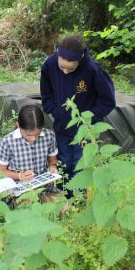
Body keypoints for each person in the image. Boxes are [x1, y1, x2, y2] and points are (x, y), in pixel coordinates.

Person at [40, 35, 116, 198]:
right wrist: (55, 111)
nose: (65, 72)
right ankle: (61, 199)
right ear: (58, 54)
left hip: (86, 130)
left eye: (71, 69)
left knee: (80, 166)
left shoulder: (93, 70)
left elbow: (108, 100)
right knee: (64, 163)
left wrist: (89, 117)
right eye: (62, 68)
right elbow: (46, 94)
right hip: (62, 128)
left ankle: (78, 201)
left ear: (80, 58)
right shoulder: (49, 65)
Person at [0, 105, 58, 181]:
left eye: (37, 134)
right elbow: (1, 171)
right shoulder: (7, 141)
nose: (33, 138)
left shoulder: (49, 135)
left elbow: (52, 160)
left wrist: (53, 166)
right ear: (18, 125)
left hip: (43, 183)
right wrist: (20, 176)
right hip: (19, 185)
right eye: (28, 134)